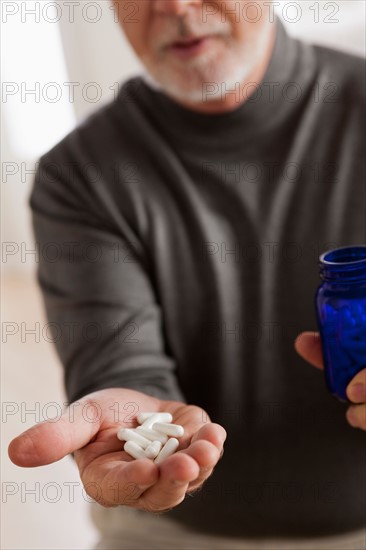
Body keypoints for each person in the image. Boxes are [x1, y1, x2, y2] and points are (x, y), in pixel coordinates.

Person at [8, 1, 366, 549]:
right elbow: (120, 362)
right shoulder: (79, 173)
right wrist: (126, 409)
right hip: (167, 531)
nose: (173, 5)